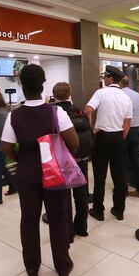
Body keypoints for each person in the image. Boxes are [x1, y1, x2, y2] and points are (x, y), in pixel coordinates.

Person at [1, 64, 78, 276]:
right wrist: (60, 158)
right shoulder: (56, 112)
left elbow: (7, 147)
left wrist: (23, 159)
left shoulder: (13, 116)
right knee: (58, 218)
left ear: (22, 85)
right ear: (43, 84)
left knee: (29, 219)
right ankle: (62, 266)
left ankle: (32, 267)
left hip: (27, 175)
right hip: (54, 174)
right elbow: (74, 141)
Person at [85, 65, 133, 222]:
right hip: (118, 137)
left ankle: (98, 211)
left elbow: (88, 110)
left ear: (110, 78)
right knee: (119, 176)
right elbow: (127, 124)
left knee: (100, 176)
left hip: (102, 137)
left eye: (105, 76)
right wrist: (120, 137)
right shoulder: (126, 98)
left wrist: (92, 129)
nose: (103, 79)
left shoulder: (101, 93)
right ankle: (119, 210)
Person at [52, 82, 91, 238]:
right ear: (70, 94)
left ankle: (68, 232)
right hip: (81, 158)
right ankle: (81, 228)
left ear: (54, 95)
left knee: (64, 197)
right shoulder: (79, 111)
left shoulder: (54, 112)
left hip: (63, 161)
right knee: (81, 195)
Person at [121, 77, 139, 199]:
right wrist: (137, 120)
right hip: (136, 130)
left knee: (121, 159)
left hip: (123, 130)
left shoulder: (119, 95)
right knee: (136, 159)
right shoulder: (137, 95)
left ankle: (122, 188)